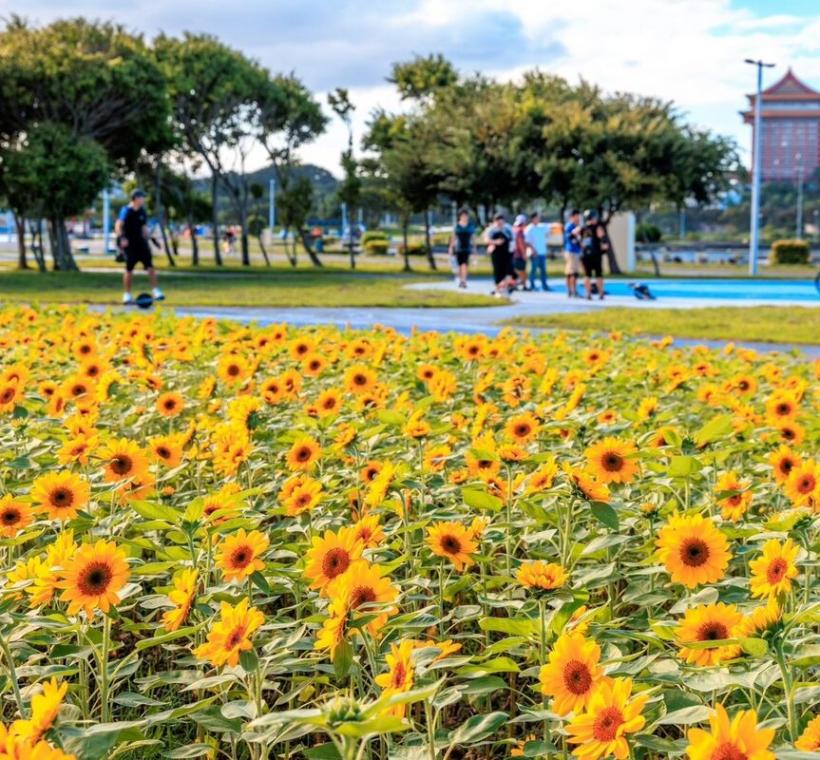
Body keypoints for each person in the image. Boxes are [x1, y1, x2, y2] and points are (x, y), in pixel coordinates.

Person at [116, 189, 163, 305]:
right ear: (136, 198)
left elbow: (144, 228)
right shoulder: (126, 211)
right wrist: (122, 238)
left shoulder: (142, 211)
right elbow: (118, 225)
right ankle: (126, 295)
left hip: (141, 244)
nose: (143, 200)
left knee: (150, 267)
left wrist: (153, 239)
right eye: (142, 197)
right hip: (129, 245)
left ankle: (156, 291)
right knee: (129, 269)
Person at [580, 209, 608, 300]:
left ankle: (588, 294)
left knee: (587, 275)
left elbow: (573, 235)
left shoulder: (583, 228)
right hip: (596, 254)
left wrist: (579, 244)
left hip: (585, 254)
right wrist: (604, 247)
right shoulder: (597, 227)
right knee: (599, 274)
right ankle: (601, 293)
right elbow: (602, 238)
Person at [484, 213, 513, 297]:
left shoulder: (507, 229)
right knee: (497, 272)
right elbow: (486, 239)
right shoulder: (491, 230)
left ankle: (504, 288)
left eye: (501, 221)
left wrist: (512, 250)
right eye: (497, 221)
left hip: (507, 253)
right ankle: (498, 290)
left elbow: (512, 240)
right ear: (494, 221)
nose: (500, 223)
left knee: (508, 272)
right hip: (496, 254)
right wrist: (495, 242)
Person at [448, 209, 475, 289]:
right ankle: (460, 280)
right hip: (458, 248)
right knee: (459, 265)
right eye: (463, 216)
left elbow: (473, 238)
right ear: (460, 217)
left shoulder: (470, 226)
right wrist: (450, 247)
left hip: (467, 248)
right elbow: (453, 238)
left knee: (465, 265)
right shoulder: (457, 226)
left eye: (466, 216)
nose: (464, 217)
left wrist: (474, 248)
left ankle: (464, 281)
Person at [524, 212, 550, 292]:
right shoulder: (529, 229)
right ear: (533, 218)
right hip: (534, 253)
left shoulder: (542, 227)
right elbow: (527, 242)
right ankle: (532, 285)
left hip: (542, 252)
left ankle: (545, 286)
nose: (539, 219)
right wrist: (533, 250)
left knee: (543, 270)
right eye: (537, 218)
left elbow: (548, 233)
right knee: (533, 270)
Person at [563, 209, 583, 298]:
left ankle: (572, 291)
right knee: (572, 272)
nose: (578, 218)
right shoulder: (570, 226)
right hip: (571, 251)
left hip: (576, 251)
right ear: (572, 217)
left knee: (573, 272)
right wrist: (576, 231)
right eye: (577, 216)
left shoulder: (575, 225)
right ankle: (572, 291)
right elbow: (570, 237)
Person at [512, 214, 529, 290]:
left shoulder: (514, 230)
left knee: (517, 270)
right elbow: (520, 243)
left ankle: (518, 284)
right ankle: (522, 284)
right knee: (521, 271)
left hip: (514, 254)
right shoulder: (520, 232)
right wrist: (524, 254)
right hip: (519, 254)